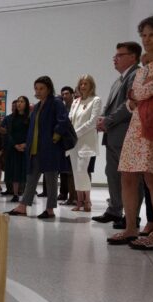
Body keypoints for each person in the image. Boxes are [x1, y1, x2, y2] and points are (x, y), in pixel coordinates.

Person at [109, 14, 153, 251]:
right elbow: (133, 101)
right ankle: (130, 228)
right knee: (128, 176)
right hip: (137, 126)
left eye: (152, 34)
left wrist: (137, 94)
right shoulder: (144, 67)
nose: (147, 40)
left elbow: (143, 91)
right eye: (144, 35)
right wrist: (137, 95)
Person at [92, 41, 142, 225]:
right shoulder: (118, 81)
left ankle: (131, 217)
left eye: (120, 55)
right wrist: (102, 119)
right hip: (112, 135)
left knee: (131, 178)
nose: (115, 58)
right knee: (112, 174)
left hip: (127, 135)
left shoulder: (136, 74)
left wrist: (108, 120)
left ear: (133, 57)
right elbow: (110, 105)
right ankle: (114, 210)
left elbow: (128, 105)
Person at [6, 76, 68, 218]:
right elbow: (34, 129)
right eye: (36, 88)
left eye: (41, 88)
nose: (38, 91)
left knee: (51, 178)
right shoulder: (38, 106)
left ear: (49, 89)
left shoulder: (56, 103)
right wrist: (28, 144)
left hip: (50, 148)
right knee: (32, 178)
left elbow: (63, 120)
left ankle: (50, 209)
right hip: (35, 148)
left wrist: (55, 137)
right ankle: (23, 206)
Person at [65, 75, 102, 212]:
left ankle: (87, 201)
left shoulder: (96, 100)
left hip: (86, 141)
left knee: (82, 170)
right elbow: (70, 119)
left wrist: (76, 133)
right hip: (73, 143)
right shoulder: (75, 101)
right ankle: (79, 201)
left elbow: (92, 122)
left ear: (91, 85)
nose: (83, 86)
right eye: (81, 84)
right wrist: (69, 133)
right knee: (76, 172)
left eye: (86, 84)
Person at [1, 96, 30, 203]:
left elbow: (31, 134)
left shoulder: (30, 118)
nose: (19, 103)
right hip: (14, 148)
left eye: (21, 101)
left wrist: (25, 144)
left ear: (26, 104)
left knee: (25, 171)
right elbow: (9, 134)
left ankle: (26, 193)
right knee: (15, 171)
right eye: (18, 101)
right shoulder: (11, 118)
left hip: (25, 148)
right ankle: (15, 194)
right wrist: (15, 145)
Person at [59, 86, 76, 204]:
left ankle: (76, 197)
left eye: (66, 94)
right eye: (63, 94)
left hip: (75, 139)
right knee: (65, 171)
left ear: (72, 94)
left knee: (74, 171)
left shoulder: (76, 105)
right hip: (64, 141)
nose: (64, 96)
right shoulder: (62, 108)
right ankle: (65, 194)